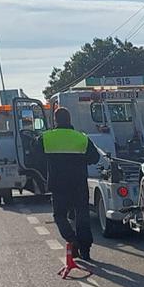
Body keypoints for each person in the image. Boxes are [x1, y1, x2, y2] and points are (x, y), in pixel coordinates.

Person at [40, 107, 101, 261]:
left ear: (55, 120)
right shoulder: (81, 138)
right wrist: (80, 161)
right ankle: (85, 250)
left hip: (58, 184)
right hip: (78, 184)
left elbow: (34, 154)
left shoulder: (46, 138)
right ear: (70, 120)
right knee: (82, 216)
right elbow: (95, 158)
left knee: (60, 215)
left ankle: (71, 240)